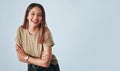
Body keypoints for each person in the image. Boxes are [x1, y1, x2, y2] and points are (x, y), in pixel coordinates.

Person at [15, 3, 60, 71]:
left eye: (39, 15)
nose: (36, 17)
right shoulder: (20, 31)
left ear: (42, 18)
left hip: (50, 68)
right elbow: (20, 58)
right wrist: (39, 60)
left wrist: (25, 56)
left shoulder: (45, 32)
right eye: (32, 14)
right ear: (27, 16)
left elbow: (46, 63)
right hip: (31, 67)